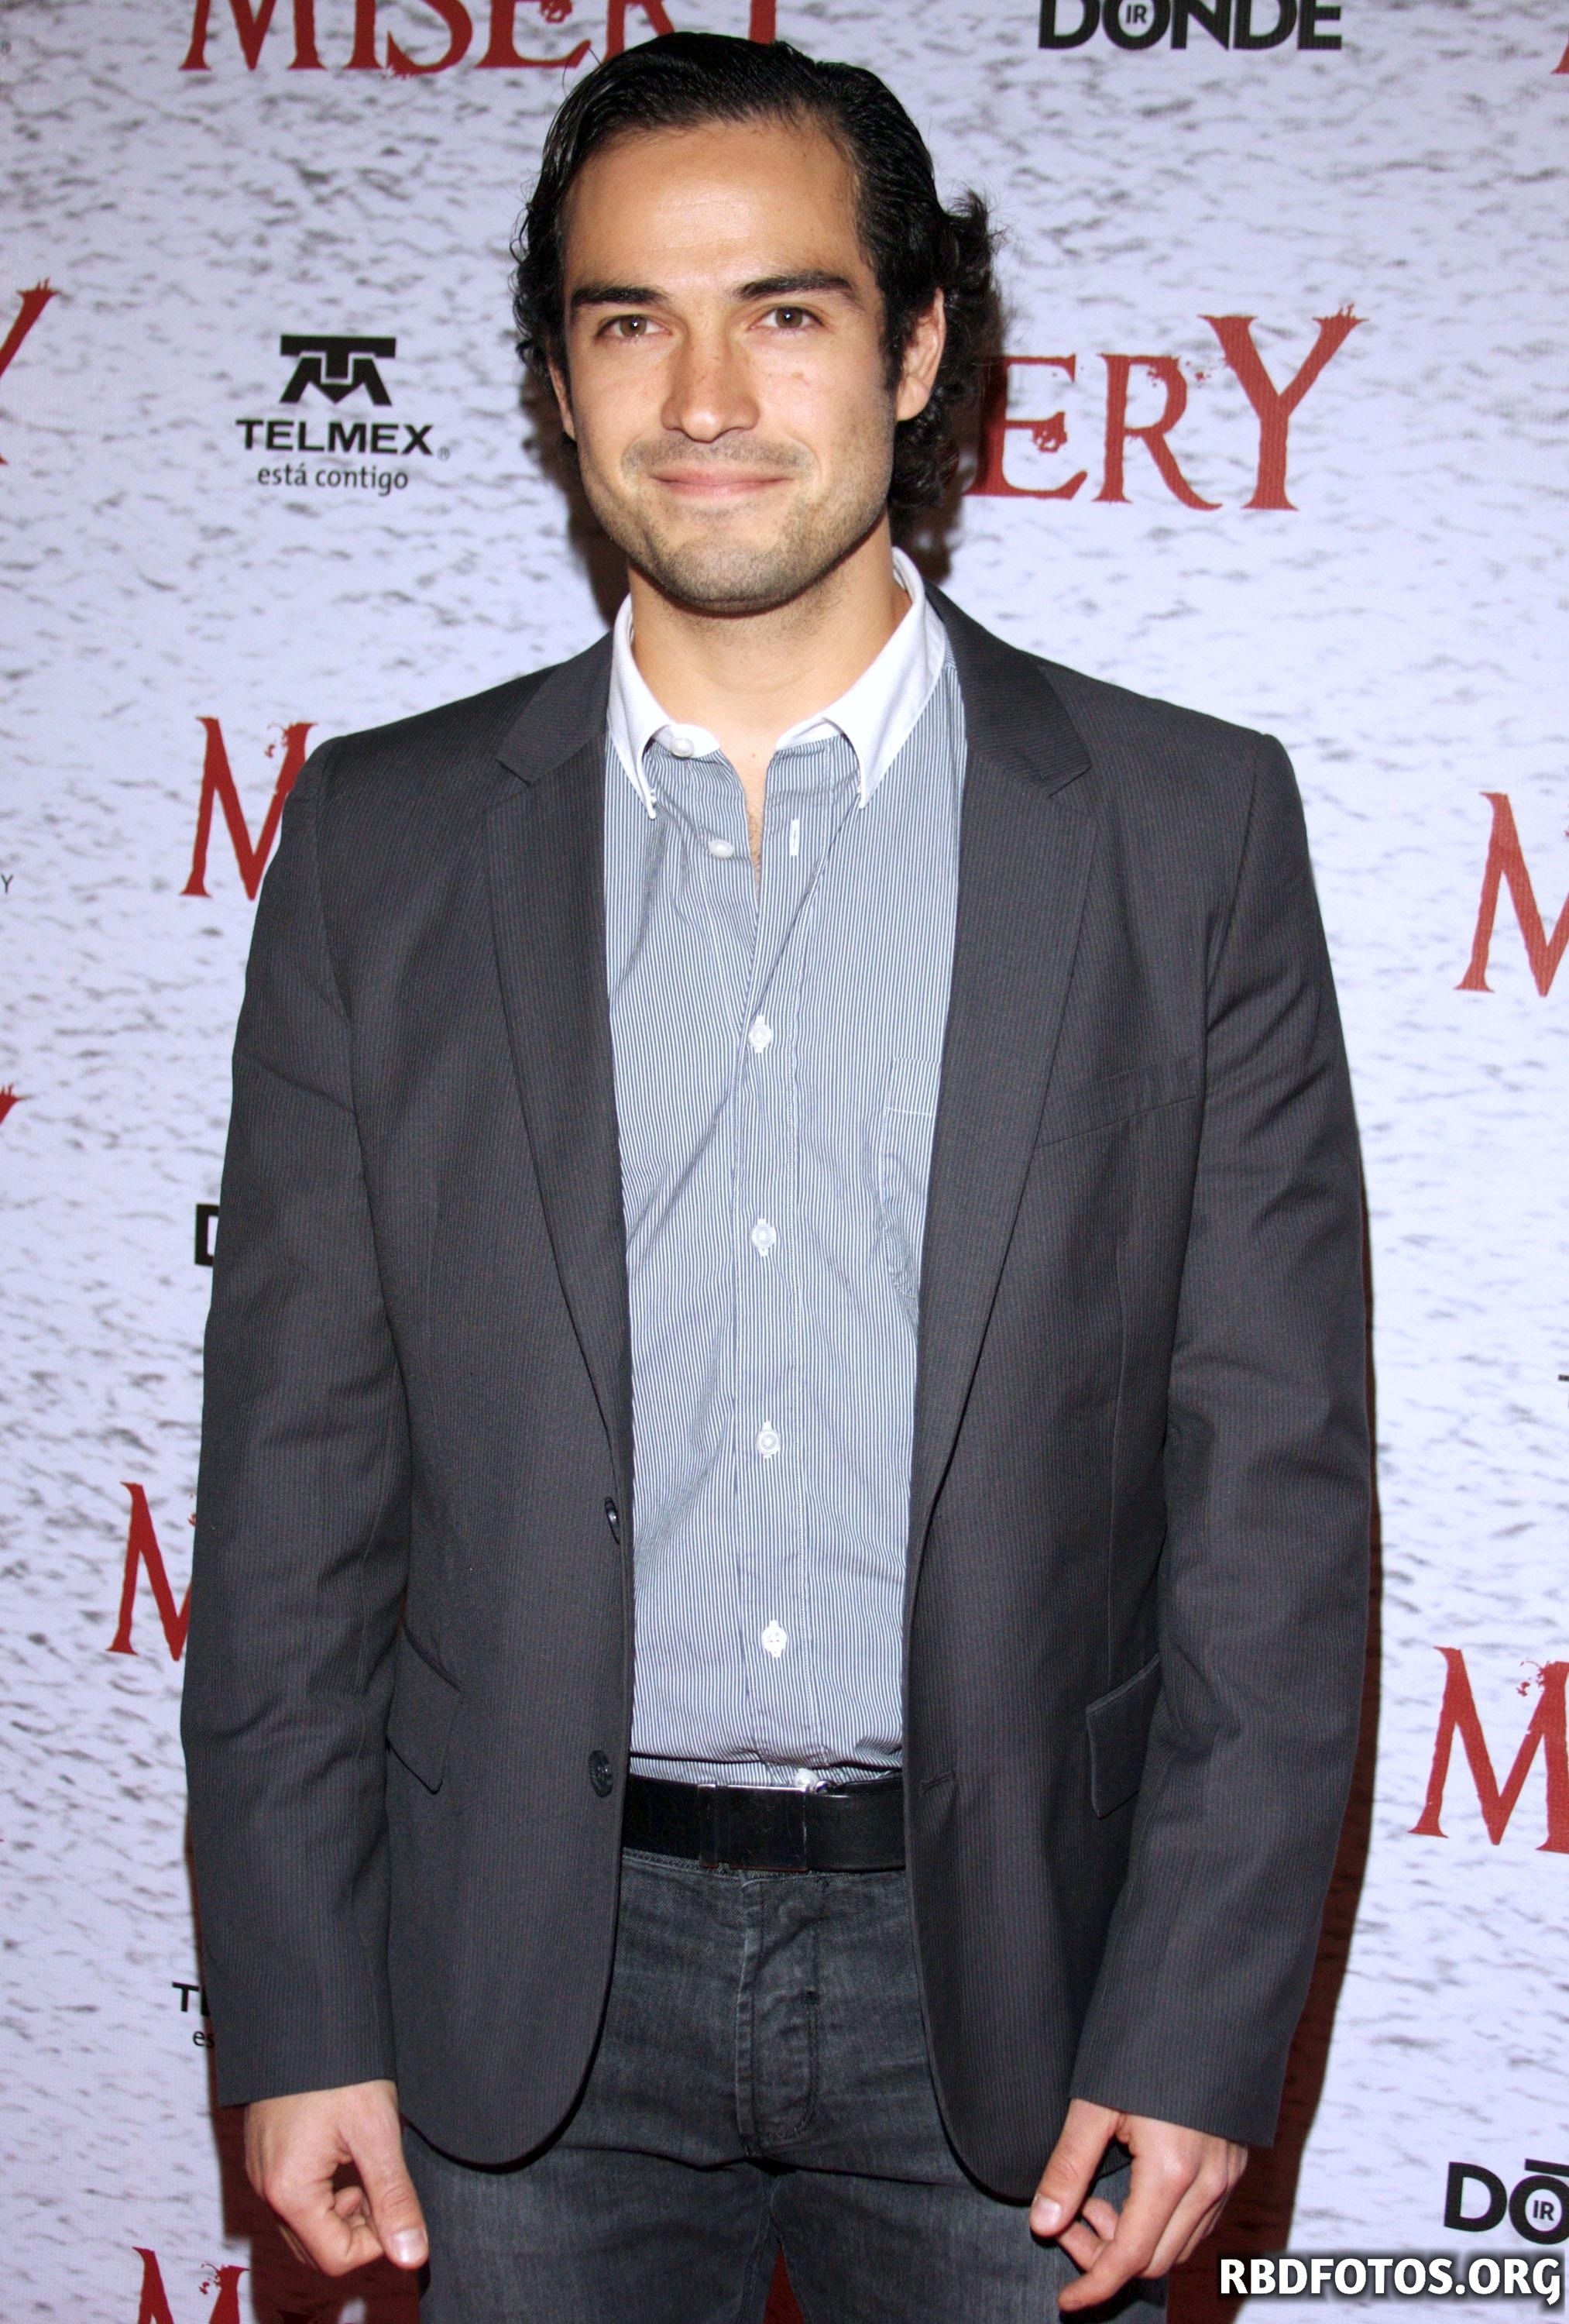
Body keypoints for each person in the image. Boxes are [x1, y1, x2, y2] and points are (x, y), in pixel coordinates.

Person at [182, 31, 1370, 2323]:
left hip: (1025, 1980)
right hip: (516, 1983)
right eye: (631, 320)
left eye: (787, 312)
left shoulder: (1183, 831)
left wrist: (1199, 2024)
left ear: (918, 349)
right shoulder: (380, 843)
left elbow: (1273, 1498)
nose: (705, 398)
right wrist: (300, 2000)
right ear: (558, 381)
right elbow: (298, 1486)